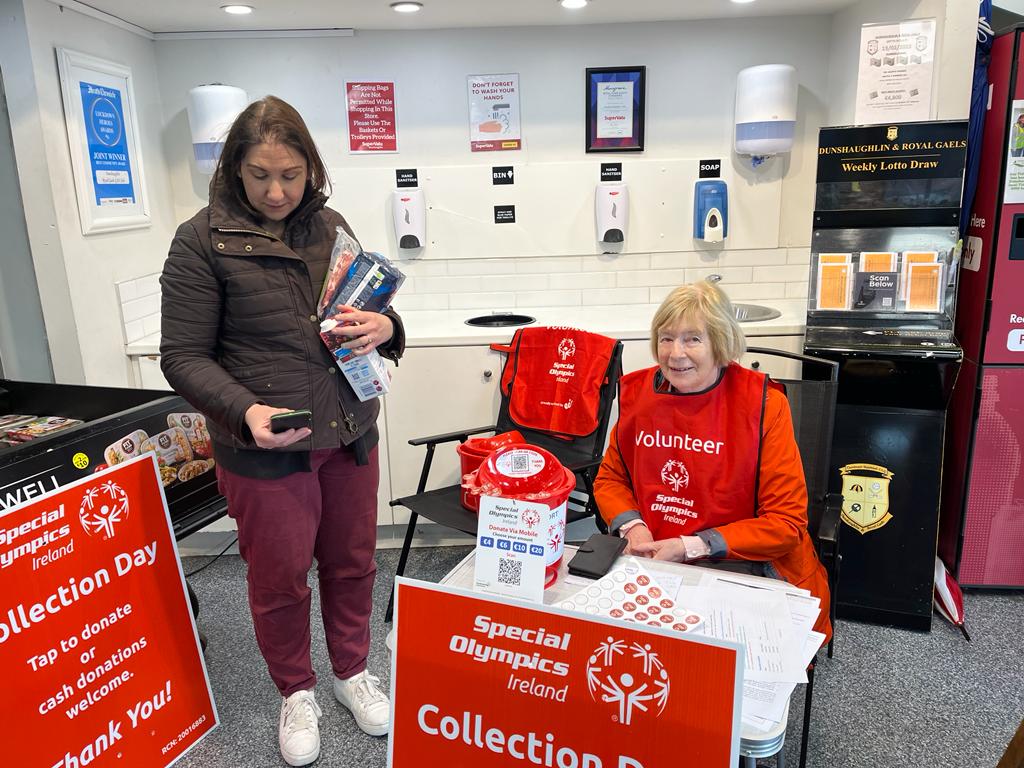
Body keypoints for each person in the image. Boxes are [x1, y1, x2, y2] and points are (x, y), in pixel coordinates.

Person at [160, 96, 404, 767]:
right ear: (235, 169)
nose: (275, 191)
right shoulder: (200, 238)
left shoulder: (333, 224)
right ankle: (295, 692)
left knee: (354, 563)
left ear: (311, 170)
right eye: (260, 174)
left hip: (349, 432)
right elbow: (181, 355)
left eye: (290, 175)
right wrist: (244, 412)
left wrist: (389, 328)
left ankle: (352, 672)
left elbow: (366, 313)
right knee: (279, 580)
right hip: (265, 449)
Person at [593, 281, 831, 639]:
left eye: (693, 339)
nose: (675, 354)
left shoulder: (763, 404)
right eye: (666, 338)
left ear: (720, 344)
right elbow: (611, 478)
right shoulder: (638, 394)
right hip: (653, 555)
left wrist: (691, 546)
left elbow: (785, 523)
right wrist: (633, 527)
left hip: (739, 563)